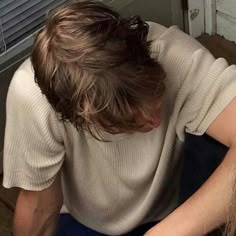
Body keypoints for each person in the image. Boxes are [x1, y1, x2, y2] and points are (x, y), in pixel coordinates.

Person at [3, 1, 236, 235]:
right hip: (87, 220)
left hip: (171, 206)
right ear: (77, 118)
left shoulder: (174, 54)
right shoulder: (31, 98)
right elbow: (39, 205)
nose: (153, 120)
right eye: (127, 122)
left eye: (154, 91)